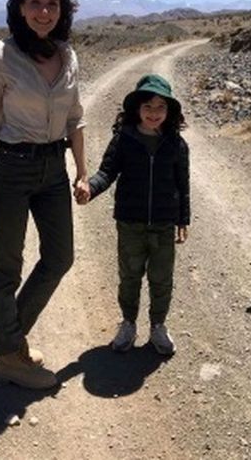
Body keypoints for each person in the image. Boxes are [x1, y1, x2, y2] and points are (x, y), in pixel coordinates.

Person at [0, 0, 87, 389]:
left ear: (63, 9)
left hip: (54, 169)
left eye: (52, 3)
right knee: (6, 266)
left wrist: (83, 172)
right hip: (12, 167)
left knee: (60, 258)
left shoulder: (68, 55)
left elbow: (75, 118)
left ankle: (9, 341)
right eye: (35, 3)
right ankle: (11, 356)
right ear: (20, 8)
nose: (43, 11)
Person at [77, 74, 191, 356]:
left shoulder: (177, 145)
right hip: (130, 222)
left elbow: (183, 185)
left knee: (162, 278)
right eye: (148, 107)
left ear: (170, 111)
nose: (154, 114)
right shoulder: (123, 140)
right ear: (136, 109)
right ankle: (128, 323)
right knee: (130, 276)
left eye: (160, 108)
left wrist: (183, 219)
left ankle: (158, 326)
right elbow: (107, 172)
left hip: (164, 224)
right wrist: (90, 188)